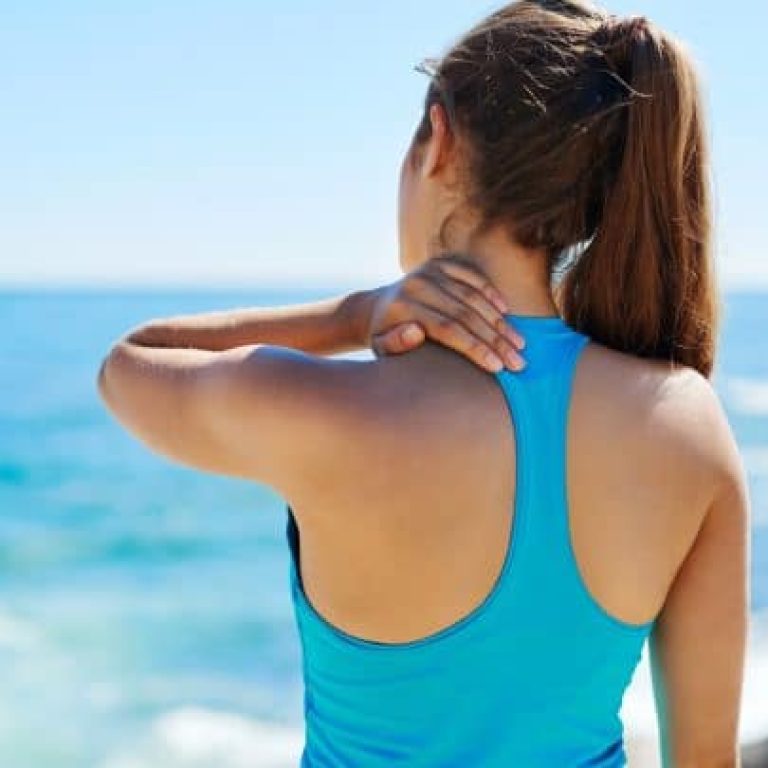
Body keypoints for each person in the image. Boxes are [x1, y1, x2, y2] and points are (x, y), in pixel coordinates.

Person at [97, 1, 750, 765]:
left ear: (438, 141)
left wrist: (355, 315)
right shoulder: (686, 422)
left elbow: (128, 366)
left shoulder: (329, 412)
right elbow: (707, 757)